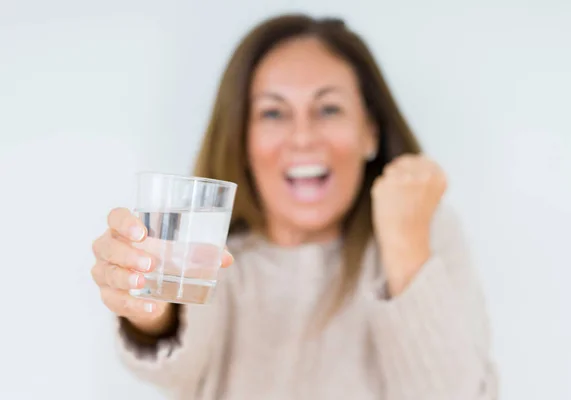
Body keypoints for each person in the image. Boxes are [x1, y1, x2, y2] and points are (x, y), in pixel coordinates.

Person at [91, 13, 498, 400]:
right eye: (273, 113)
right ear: (243, 140)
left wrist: (406, 245)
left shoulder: (425, 232)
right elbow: (171, 367)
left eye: (328, 109)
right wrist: (150, 308)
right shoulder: (210, 254)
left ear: (370, 133)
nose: (302, 137)